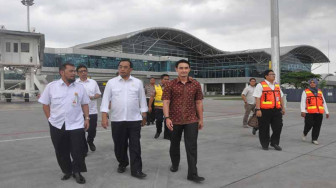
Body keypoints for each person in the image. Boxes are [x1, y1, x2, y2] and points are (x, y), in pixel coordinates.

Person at [38, 62, 90, 184]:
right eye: (71, 71)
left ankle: (77, 171)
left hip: (76, 124)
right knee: (61, 150)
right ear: (62, 72)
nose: (74, 74)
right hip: (57, 124)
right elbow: (45, 104)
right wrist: (50, 119)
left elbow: (84, 103)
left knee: (79, 150)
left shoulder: (80, 87)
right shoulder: (51, 86)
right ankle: (67, 171)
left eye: (74, 71)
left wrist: (87, 118)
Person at [100, 59, 148, 179]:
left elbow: (142, 99)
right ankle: (123, 162)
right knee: (119, 145)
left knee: (135, 145)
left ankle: (136, 170)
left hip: (134, 120)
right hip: (117, 120)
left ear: (130, 69)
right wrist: (104, 117)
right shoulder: (111, 83)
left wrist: (144, 114)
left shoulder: (137, 82)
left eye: (125, 67)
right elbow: (105, 100)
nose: (122, 69)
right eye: (120, 66)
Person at [162, 59, 205, 183]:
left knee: (191, 146)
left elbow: (198, 102)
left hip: (191, 120)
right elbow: (166, 102)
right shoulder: (170, 84)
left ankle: (192, 173)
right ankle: (175, 164)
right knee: (174, 145)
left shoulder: (195, 84)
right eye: (181, 68)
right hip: (174, 120)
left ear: (189, 69)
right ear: (176, 69)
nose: (183, 70)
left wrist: (201, 119)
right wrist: (167, 117)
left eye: (186, 68)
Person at [253, 70, 285, 151]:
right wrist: (258, 109)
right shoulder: (260, 85)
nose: (273, 76)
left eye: (274, 74)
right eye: (271, 74)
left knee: (278, 126)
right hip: (264, 110)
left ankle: (274, 143)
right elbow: (257, 98)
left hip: (277, 110)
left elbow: (281, 97)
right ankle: (265, 143)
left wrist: (283, 107)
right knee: (264, 128)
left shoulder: (277, 85)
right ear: (266, 76)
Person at [76, 64, 101, 152]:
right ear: (77, 73)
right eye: (81, 71)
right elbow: (73, 97)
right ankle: (84, 148)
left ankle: (90, 141)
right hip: (79, 112)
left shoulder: (93, 82)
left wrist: (91, 97)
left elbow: (98, 94)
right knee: (81, 131)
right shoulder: (75, 83)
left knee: (92, 130)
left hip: (92, 111)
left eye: (85, 71)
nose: (83, 73)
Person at [300, 78, 329, 145]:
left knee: (317, 126)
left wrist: (327, 112)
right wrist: (303, 111)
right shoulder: (306, 91)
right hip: (309, 112)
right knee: (308, 124)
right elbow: (303, 102)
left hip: (319, 112)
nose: (312, 83)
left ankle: (314, 139)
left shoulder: (320, 91)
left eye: (314, 82)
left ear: (316, 83)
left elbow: (323, 102)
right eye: (311, 82)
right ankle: (305, 133)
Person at [149, 74, 171, 139]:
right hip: (158, 108)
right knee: (159, 120)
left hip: (168, 108)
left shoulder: (171, 87)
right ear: (161, 80)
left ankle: (167, 135)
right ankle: (158, 131)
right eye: (165, 79)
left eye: (168, 79)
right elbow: (152, 97)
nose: (166, 80)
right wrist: (150, 106)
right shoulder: (156, 87)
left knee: (167, 121)